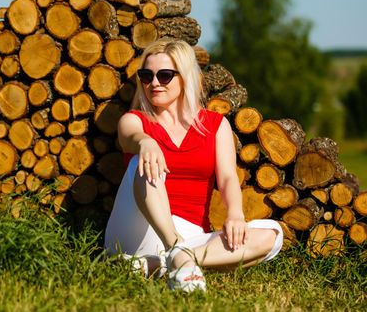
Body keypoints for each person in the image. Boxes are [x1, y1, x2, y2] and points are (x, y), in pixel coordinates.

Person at [104, 38, 283, 292]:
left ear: (184, 77)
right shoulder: (135, 120)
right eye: (147, 75)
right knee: (142, 161)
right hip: (137, 228)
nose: (154, 83)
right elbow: (129, 136)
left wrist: (235, 214)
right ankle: (176, 251)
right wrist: (145, 142)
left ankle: (158, 263)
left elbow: (228, 178)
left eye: (164, 75)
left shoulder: (215, 125)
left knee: (272, 235)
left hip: (192, 235)